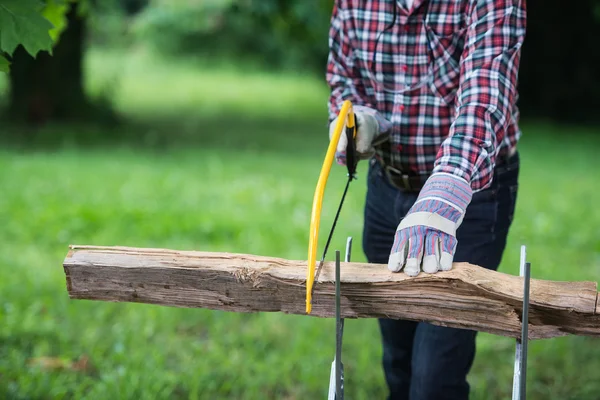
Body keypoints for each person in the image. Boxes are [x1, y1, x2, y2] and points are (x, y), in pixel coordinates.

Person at [325, 0, 526, 399]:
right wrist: (359, 119)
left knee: (435, 376)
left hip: (470, 194)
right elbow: (343, 78)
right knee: (398, 359)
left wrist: (445, 191)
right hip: (388, 187)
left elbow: (484, 96)